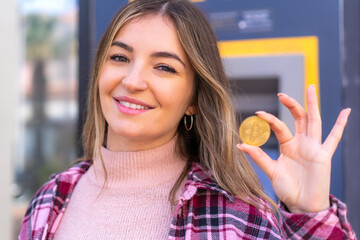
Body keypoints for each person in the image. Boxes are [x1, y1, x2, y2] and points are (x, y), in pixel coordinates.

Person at [19, 0, 356, 239]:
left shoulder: (236, 215)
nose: (133, 81)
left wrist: (311, 216)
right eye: (120, 57)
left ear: (193, 99)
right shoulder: (52, 197)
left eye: (164, 66)